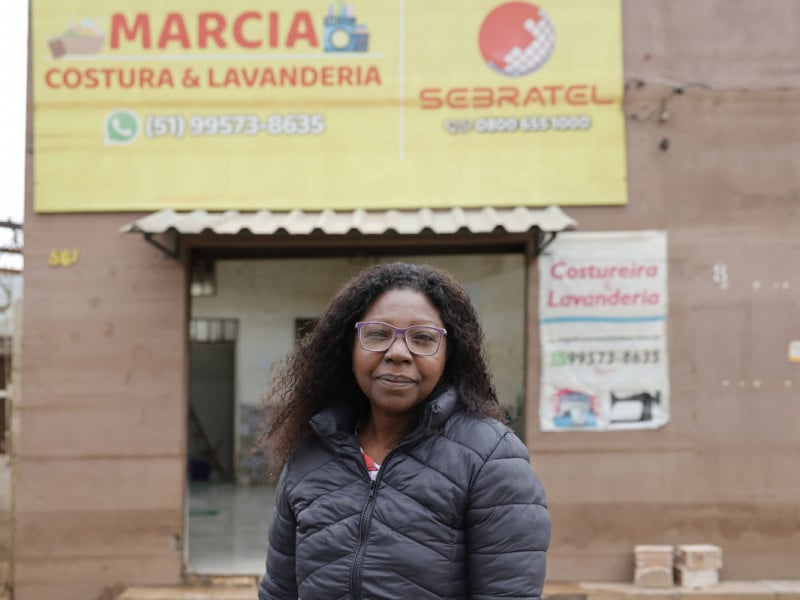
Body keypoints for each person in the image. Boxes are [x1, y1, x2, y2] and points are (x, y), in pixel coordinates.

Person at [258, 262, 550, 600]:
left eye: (423, 338)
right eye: (378, 334)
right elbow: (279, 591)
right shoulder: (310, 451)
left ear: (449, 354)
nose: (398, 353)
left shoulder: (491, 459)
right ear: (348, 346)